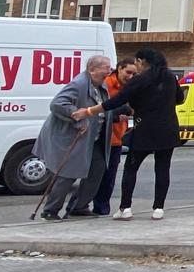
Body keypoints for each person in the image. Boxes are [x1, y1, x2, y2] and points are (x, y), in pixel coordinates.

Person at [75, 48, 185, 221]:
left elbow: (116, 101)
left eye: (137, 63)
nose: (136, 67)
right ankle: (158, 208)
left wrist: (89, 111)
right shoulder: (170, 77)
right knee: (163, 168)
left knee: (131, 168)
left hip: (144, 129)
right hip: (168, 129)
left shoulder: (140, 80)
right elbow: (180, 99)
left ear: (142, 61)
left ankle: (125, 207)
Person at [32, 55, 112, 221]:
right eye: (105, 68)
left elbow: (102, 108)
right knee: (67, 174)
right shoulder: (79, 84)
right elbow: (57, 104)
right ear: (92, 69)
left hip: (95, 138)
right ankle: (50, 210)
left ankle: (79, 207)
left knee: (97, 171)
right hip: (74, 138)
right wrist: (78, 119)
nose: (108, 71)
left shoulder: (101, 85)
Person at [91, 59, 136, 216]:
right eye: (128, 72)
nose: (131, 76)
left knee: (109, 176)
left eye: (134, 73)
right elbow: (104, 107)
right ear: (119, 69)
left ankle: (102, 207)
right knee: (98, 175)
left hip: (117, 137)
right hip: (103, 137)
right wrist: (120, 114)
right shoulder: (108, 85)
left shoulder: (128, 87)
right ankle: (91, 206)